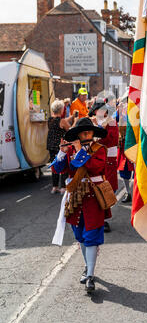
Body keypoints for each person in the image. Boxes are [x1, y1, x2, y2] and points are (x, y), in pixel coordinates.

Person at [51, 118, 107, 293]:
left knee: (91, 235)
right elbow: (57, 169)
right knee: (80, 235)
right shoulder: (71, 151)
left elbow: (93, 167)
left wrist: (77, 150)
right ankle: (87, 266)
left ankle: (90, 274)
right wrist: (62, 152)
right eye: (83, 133)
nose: (86, 135)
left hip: (93, 199)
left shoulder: (100, 150)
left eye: (89, 132)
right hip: (75, 198)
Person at [90, 98, 119, 233]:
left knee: (106, 188)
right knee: (95, 188)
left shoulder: (111, 122)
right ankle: (98, 217)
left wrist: (98, 134)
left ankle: (106, 220)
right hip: (95, 157)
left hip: (108, 158)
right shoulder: (92, 122)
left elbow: (111, 139)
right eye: (98, 109)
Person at [47, 99, 75, 194]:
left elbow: (60, 122)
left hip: (51, 145)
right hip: (60, 146)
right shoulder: (62, 121)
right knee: (63, 163)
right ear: (61, 110)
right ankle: (63, 187)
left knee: (54, 165)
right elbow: (70, 130)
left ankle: (54, 187)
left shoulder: (50, 119)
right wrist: (76, 121)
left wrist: (70, 117)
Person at [117, 98, 135, 203]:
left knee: (138, 170)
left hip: (136, 144)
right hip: (124, 143)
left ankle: (138, 193)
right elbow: (114, 119)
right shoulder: (123, 110)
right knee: (124, 170)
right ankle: (128, 192)